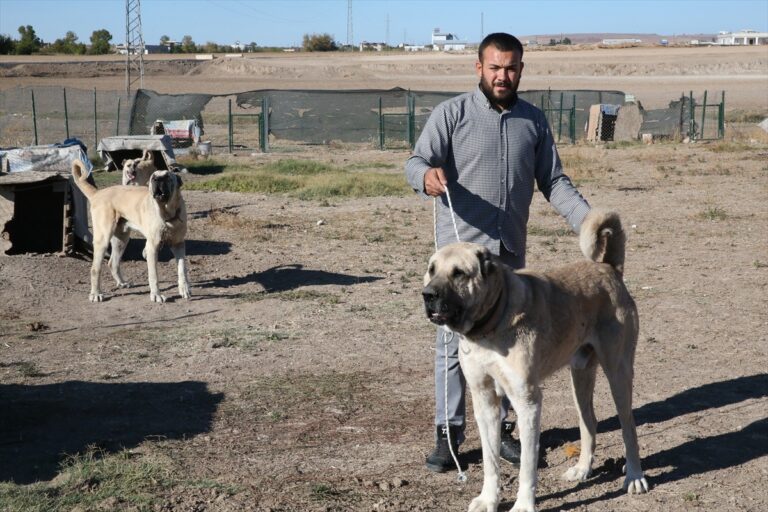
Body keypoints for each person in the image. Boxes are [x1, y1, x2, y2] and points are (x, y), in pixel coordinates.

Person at [405, 32, 591, 473]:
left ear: (521, 70)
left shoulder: (534, 122)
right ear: (478, 68)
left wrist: (586, 221)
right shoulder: (451, 115)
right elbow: (416, 161)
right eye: (494, 67)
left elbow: (555, 182)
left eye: (510, 68)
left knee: (510, 347)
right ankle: (448, 431)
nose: (502, 75)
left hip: (509, 260)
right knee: (453, 343)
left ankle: (502, 428)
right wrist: (425, 176)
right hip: (462, 263)